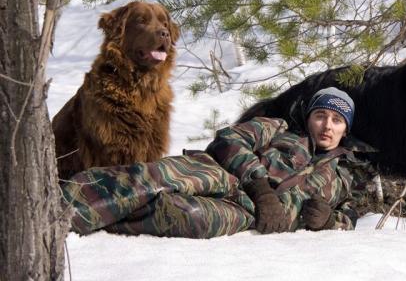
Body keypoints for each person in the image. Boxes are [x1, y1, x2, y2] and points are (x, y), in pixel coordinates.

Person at [62, 87, 374, 239]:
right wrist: (260, 185)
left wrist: (329, 221)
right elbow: (229, 139)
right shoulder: (279, 129)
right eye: (321, 115)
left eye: (336, 119)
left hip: (247, 214)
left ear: (346, 128)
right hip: (223, 175)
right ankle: (63, 206)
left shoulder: (346, 175)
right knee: (158, 178)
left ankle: (97, 222)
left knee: (191, 218)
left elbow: (349, 215)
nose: (327, 125)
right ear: (309, 117)